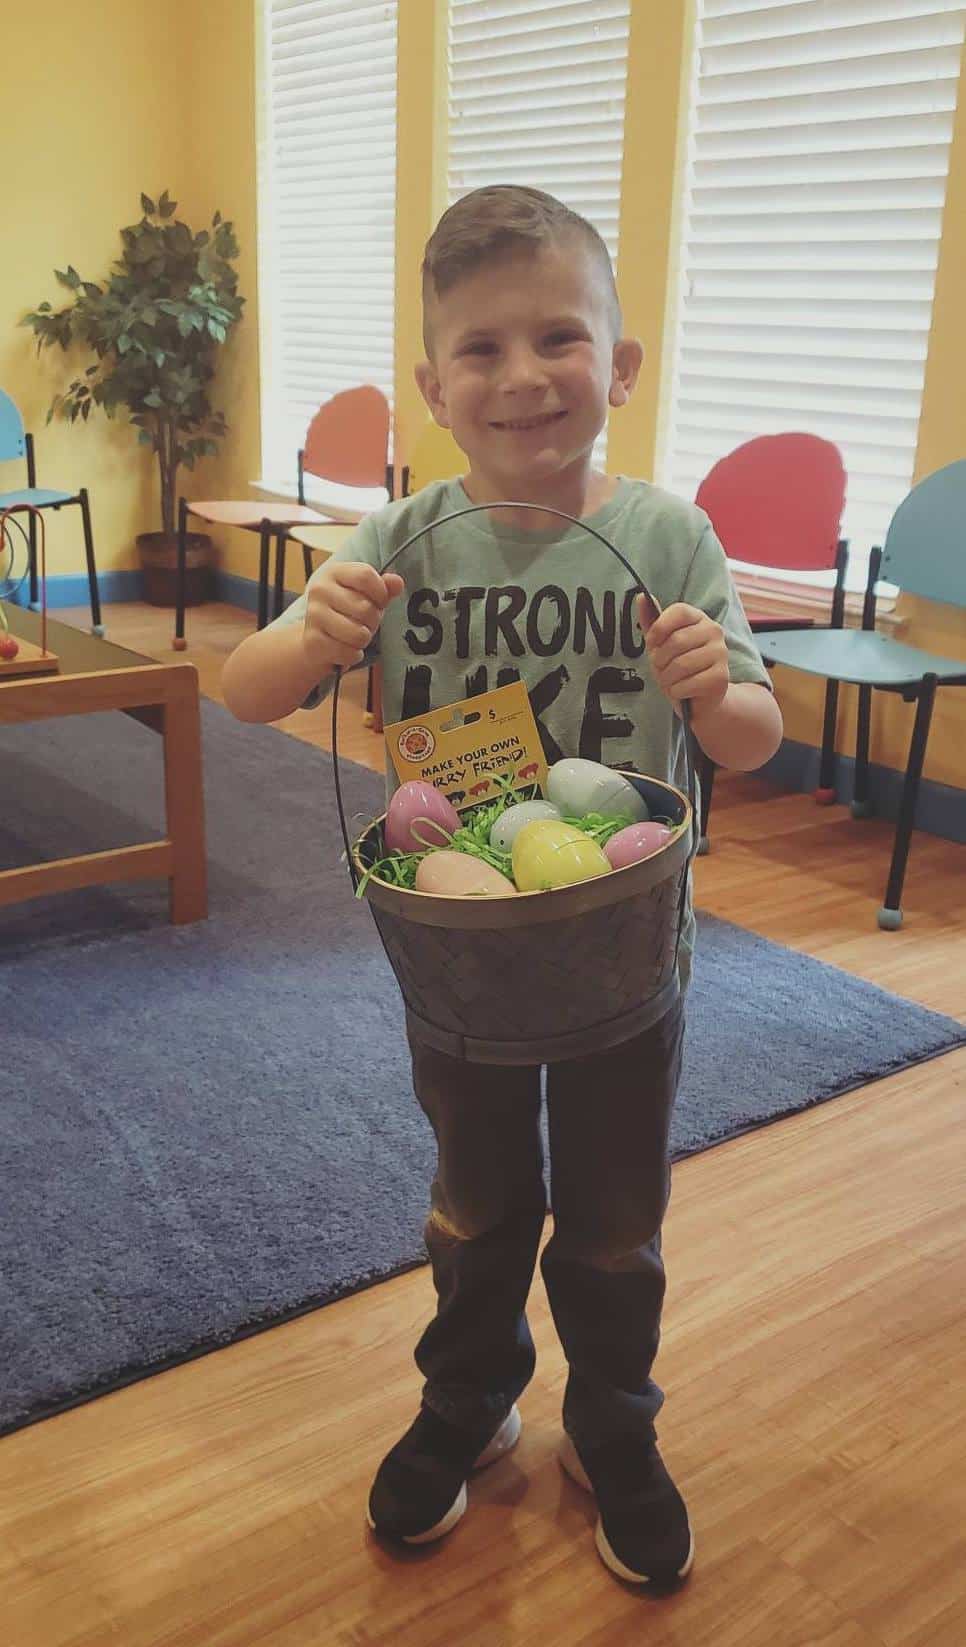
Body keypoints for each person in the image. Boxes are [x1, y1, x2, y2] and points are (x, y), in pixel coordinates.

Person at [222, 185, 783, 1587]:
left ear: (621, 363)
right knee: (474, 1203)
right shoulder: (399, 540)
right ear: (432, 387)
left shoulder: (668, 538)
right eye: (479, 349)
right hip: (460, 955)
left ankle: (613, 1418)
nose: (523, 376)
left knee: (612, 1212)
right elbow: (243, 694)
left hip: (621, 958)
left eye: (558, 338)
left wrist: (717, 692)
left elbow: (749, 742)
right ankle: (466, 1402)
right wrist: (308, 634)